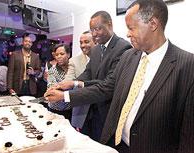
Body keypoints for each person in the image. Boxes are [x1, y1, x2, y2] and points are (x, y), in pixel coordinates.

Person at [44, 0, 194, 153]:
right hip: (115, 144)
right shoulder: (129, 56)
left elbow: (189, 133)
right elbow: (106, 87)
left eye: (131, 28)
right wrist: (66, 95)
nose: (128, 33)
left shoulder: (188, 65)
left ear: (153, 24)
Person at [49, 10, 131, 141]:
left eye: (97, 29)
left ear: (109, 24)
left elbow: (108, 85)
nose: (94, 34)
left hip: (107, 113)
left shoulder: (123, 48)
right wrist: (68, 84)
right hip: (90, 111)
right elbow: (88, 73)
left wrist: (65, 95)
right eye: (92, 30)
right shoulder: (97, 49)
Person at [63, 31, 95, 130]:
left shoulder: (104, 59)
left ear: (95, 42)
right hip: (82, 111)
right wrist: (60, 88)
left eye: (86, 42)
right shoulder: (74, 61)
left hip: (100, 110)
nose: (83, 45)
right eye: (81, 42)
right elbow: (68, 81)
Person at [45, 44, 71, 119]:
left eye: (62, 54)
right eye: (56, 55)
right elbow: (52, 90)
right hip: (54, 109)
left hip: (70, 109)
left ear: (68, 54)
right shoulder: (52, 71)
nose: (59, 56)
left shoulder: (73, 69)